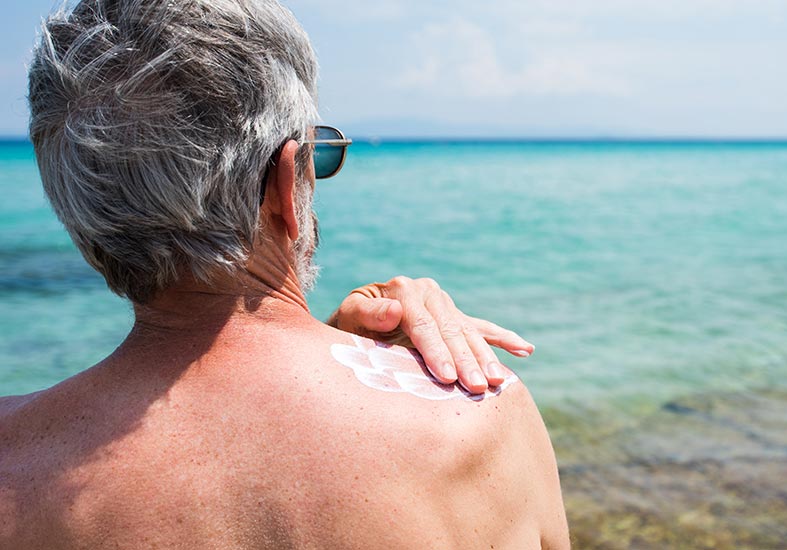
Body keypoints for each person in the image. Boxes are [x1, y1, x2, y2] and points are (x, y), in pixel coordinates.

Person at [0, 0, 570, 547]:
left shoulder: (13, 465)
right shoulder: (483, 417)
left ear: (78, 209)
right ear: (285, 189)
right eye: (321, 156)